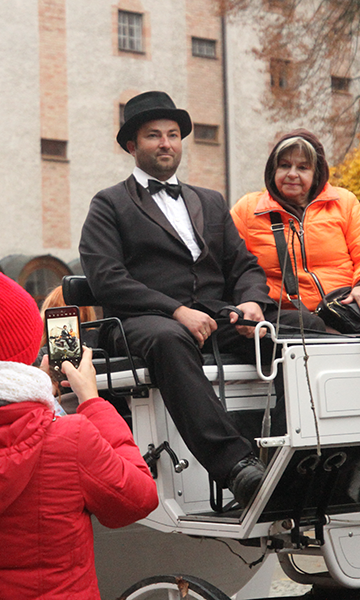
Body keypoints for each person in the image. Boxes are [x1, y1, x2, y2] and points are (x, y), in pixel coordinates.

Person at [79, 91, 323, 507]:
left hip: (218, 316)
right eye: (153, 135)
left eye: (173, 135)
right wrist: (175, 310)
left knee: (306, 329)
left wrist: (250, 304)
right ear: (131, 146)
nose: (165, 143)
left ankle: (300, 452)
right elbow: (106, 278)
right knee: (170, 339)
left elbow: (243, 266)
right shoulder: (109, 204)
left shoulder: (210, 201)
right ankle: (237, 467)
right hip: (142, 321)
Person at [0, 266, 157, 600]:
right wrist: (91, 400)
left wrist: (36, 392)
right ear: (26, 347)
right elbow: (137, 499)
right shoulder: (69, 437)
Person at [231, 130, 360, 325]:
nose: (292, 174)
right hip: (287, 317)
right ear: (272, 170)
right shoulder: (248, 209)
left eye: (302, 167)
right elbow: (234, 267)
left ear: (317, 174)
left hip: (346, 310)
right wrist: (252, 301)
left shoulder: (344, 202)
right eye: (284, 166)